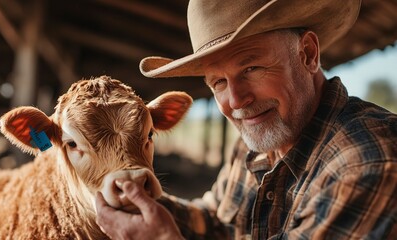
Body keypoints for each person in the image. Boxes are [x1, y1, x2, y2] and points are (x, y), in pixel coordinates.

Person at [95, 0, 397, 239]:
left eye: (252, 68)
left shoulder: (366, 163)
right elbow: (215, 222)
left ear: (307, 53)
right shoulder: (256, 142)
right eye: (219, 83)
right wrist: (136, 196)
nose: (237, 101)